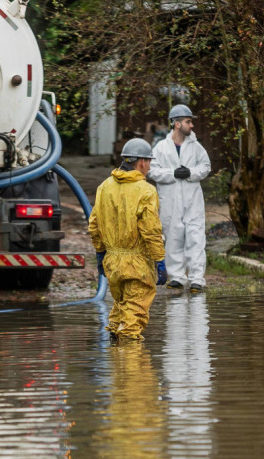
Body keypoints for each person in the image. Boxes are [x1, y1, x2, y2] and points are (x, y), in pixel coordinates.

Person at [88, 138, 167, 342]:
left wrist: (100, 253)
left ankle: (118, 367)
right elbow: (151, 231)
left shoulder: (104, 187)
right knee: (132, 324)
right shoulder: (146, 190)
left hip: (113, 262)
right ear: (141, 162)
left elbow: (94, 225)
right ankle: (132, 370)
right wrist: (159, 260)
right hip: (136, 265)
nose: (149, 167)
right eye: (149, 162)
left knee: (120, 313)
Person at [147, 104, 211, 293]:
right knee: (173, 236)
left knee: (196, 237)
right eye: (188, 121)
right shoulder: (161, 148)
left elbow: (206, 167)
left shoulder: (196, 146)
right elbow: (152, 170)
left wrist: (190, 173)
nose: (191, 126)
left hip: (192, 201)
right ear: (177, 124)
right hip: (170, 200)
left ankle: (197, 278)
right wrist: (173, 173)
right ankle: (177, 277)